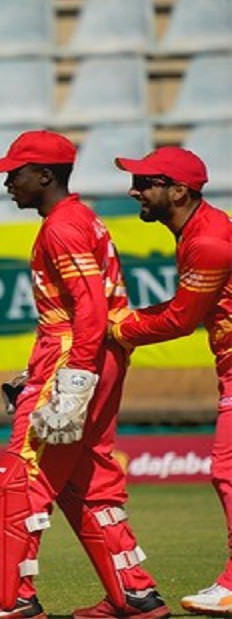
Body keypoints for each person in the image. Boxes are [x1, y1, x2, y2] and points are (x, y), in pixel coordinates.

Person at [0, 130, 167, 619]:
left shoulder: (63, 227)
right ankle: (135, 594)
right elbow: (84, 308)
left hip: (74, 354)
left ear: (44, 176)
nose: (8, 183)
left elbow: (88, 308)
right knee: (87, 481)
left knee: (16, 477)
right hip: (95, 353)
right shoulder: (80, 219)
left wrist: (74, 379)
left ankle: (13, 600)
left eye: (15, 174)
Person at [108, 147, 231, 616]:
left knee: (227, 469)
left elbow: (180, 319)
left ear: (178, 191)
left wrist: (118, 329)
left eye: (145, 183)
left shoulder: (209, 240)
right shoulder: (200, 231)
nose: (134, 191)